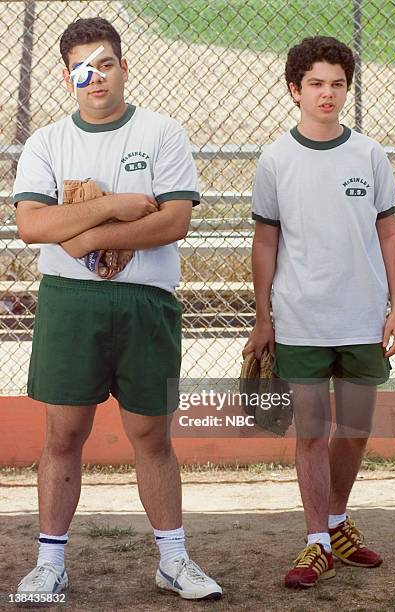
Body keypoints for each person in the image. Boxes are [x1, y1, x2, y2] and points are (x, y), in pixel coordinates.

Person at [13, 17, 222, 601]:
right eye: (83, 68)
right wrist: (121, 206)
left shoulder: (161, 134)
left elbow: (175, 220)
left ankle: (173, 560)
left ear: (124, 68)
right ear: (67, 77)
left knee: (151, 435)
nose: (95, 76)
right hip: (70, 304)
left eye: (105, 64)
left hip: (145, 303)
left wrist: (83, 232)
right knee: (63, 435)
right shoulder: (48, 142)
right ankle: (50, 563)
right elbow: (32, 225)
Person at [244, 36, 395, 589]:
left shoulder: (370, 154)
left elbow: (389, 233)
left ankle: (336, 520)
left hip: (361, 316)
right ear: (295, 90)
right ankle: (316, 541)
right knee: (311, 431)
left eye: (337, 84)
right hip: (300, 318)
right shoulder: (276, 158)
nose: (327, 93)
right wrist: (263, 317)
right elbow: (265, 242)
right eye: (315, 83)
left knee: (355, 430)